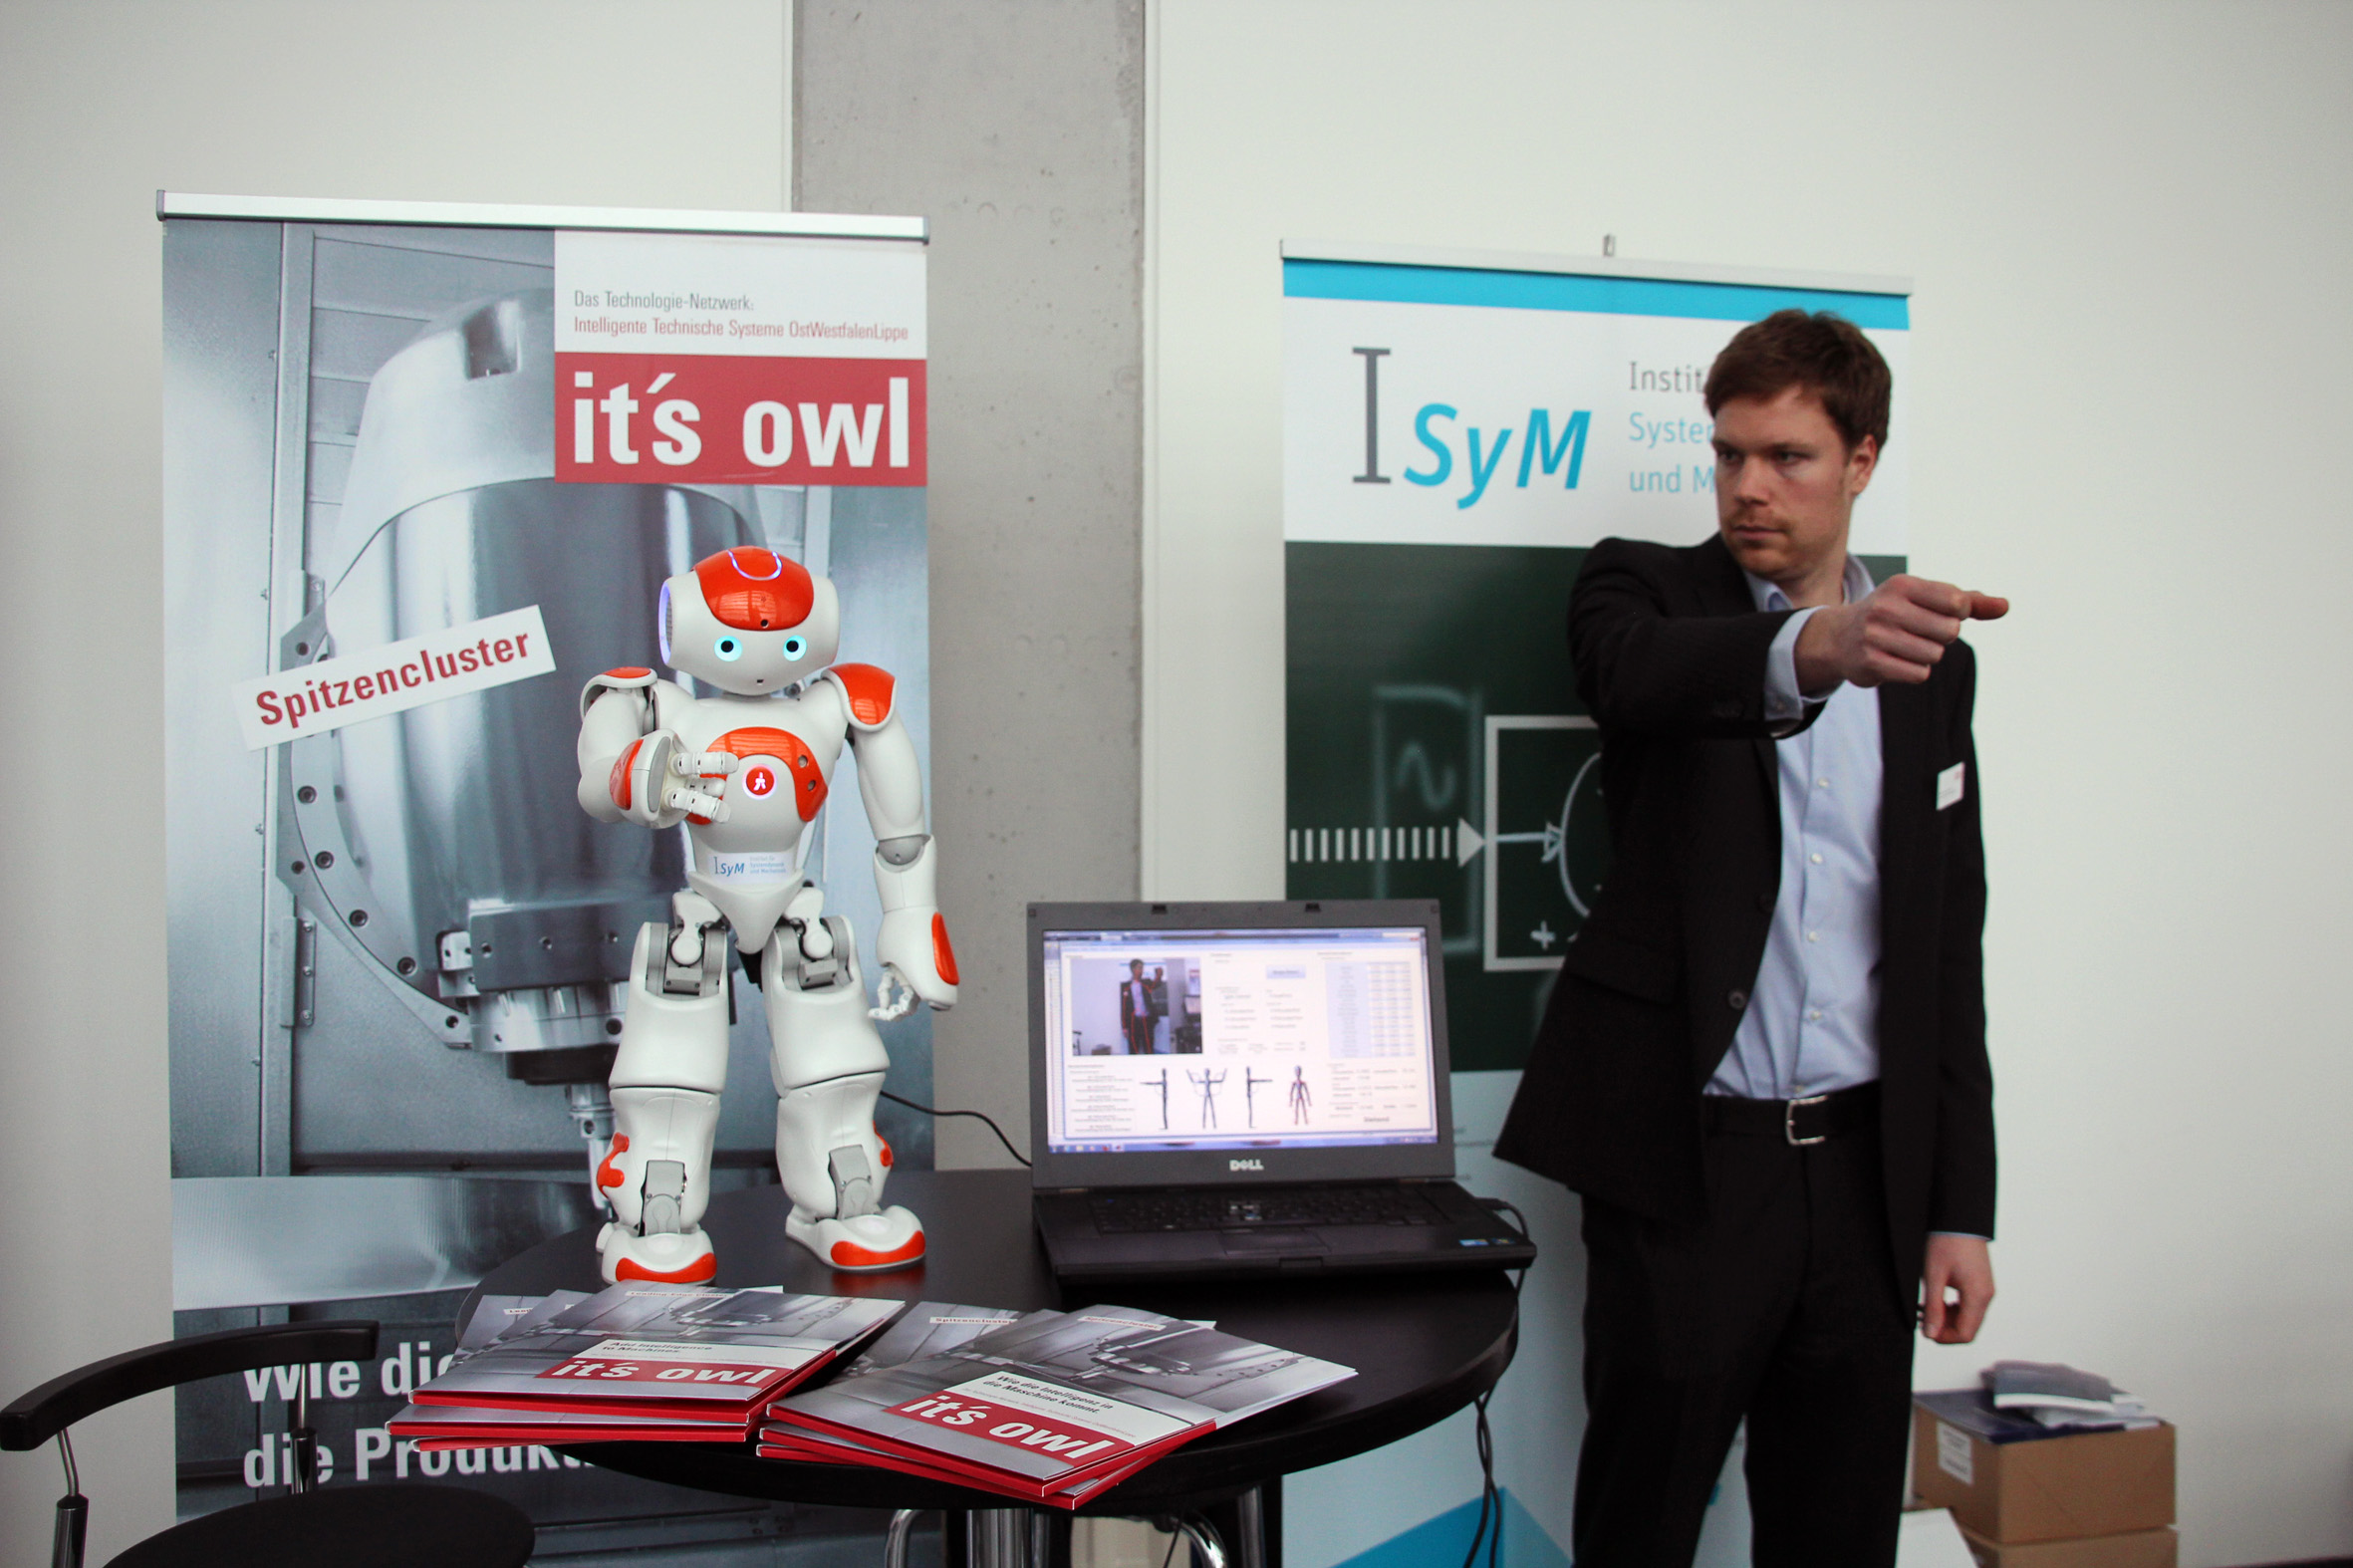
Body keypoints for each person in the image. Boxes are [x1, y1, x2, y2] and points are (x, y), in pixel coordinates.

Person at [1493, 309, 2004, 1568]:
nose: (1747, 486)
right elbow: (1638, 673)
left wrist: (1958, 1206)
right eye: (1728, 453)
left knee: (1839, 1532)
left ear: (1862, 459)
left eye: (1787, 456)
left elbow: (1945, 947)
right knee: (1641, 1523)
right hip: (1691, 1164)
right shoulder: (1638, 590)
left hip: (1868, 1171)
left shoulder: (1932, 666)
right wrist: (1817, 646)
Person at [1119, 959, 1156, 1055]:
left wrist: (1159, 975)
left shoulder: (1146, 983)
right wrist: (1124, 1027)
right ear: (1133, 969)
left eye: (1142, 968)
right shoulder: (1125, 986)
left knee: (1149, 1049)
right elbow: (1124, 1008)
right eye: (1139, 968)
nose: (1142, 970)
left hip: (1147, 1021)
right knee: (1133, 1050)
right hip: (1133, 1023)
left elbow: (1157, 984)